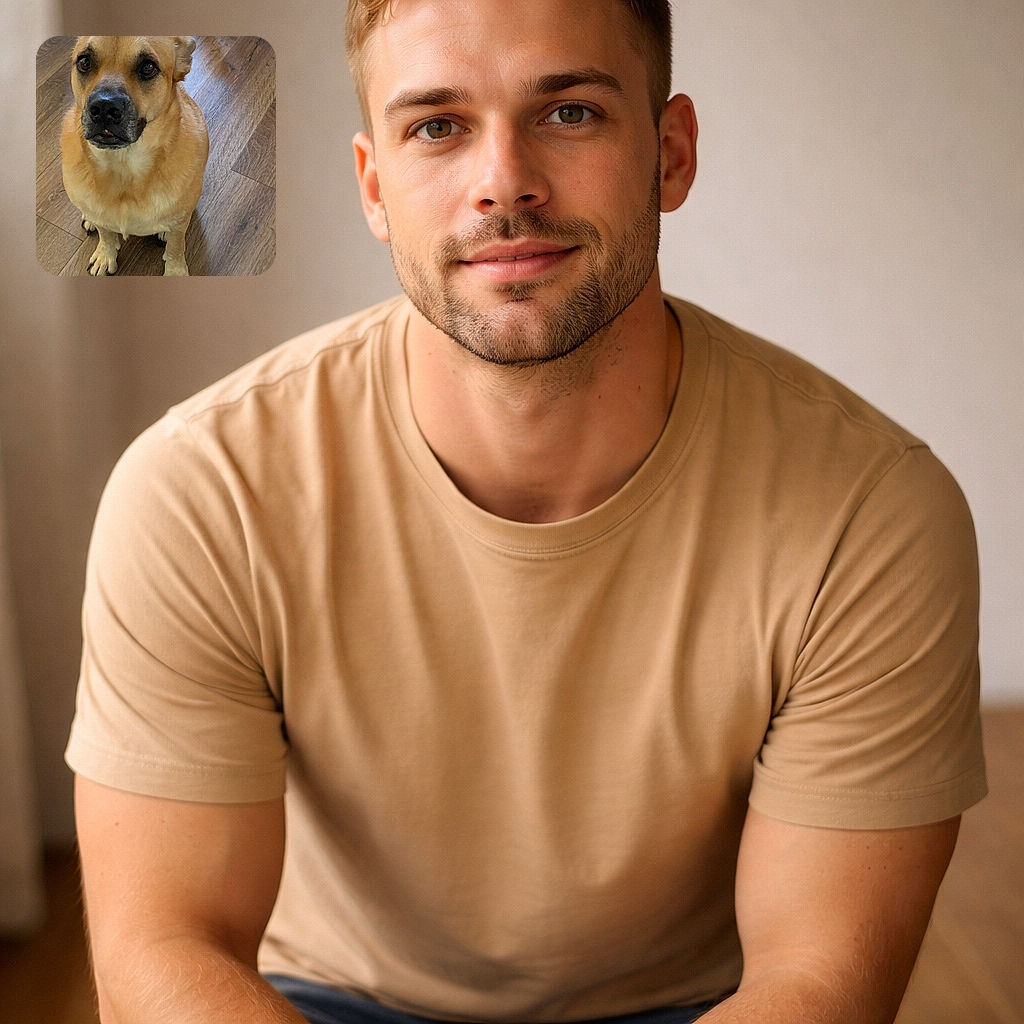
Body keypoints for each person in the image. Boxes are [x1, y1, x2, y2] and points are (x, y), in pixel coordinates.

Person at [66, 1, 987, 1022]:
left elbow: (814, 982)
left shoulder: (872, 513)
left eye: (571, 113)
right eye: (437, 126)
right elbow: (164, 948)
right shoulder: (201, 490)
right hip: (318, 1004)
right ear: (376, 188)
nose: (503, 179)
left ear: (669, 154)